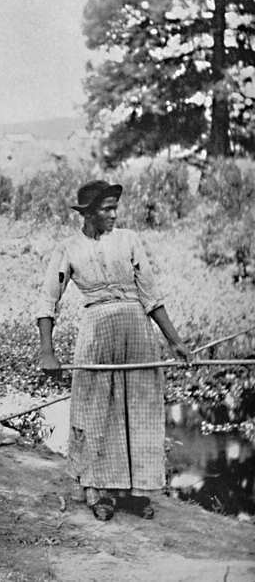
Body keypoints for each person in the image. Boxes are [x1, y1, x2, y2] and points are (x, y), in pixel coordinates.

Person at [38, 179, 190, 521]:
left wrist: (175, 342)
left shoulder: (129, 241)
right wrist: (47, 350)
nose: (113, 215)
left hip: (137, 329)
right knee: (96, 409)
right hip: (97, 332)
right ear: (89, 213)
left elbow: (151, 296)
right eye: (106, 209)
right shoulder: (69, 249)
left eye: (114, 209)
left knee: (138, 407)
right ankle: (99, 490)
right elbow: (48, 300)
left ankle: (136, 492)